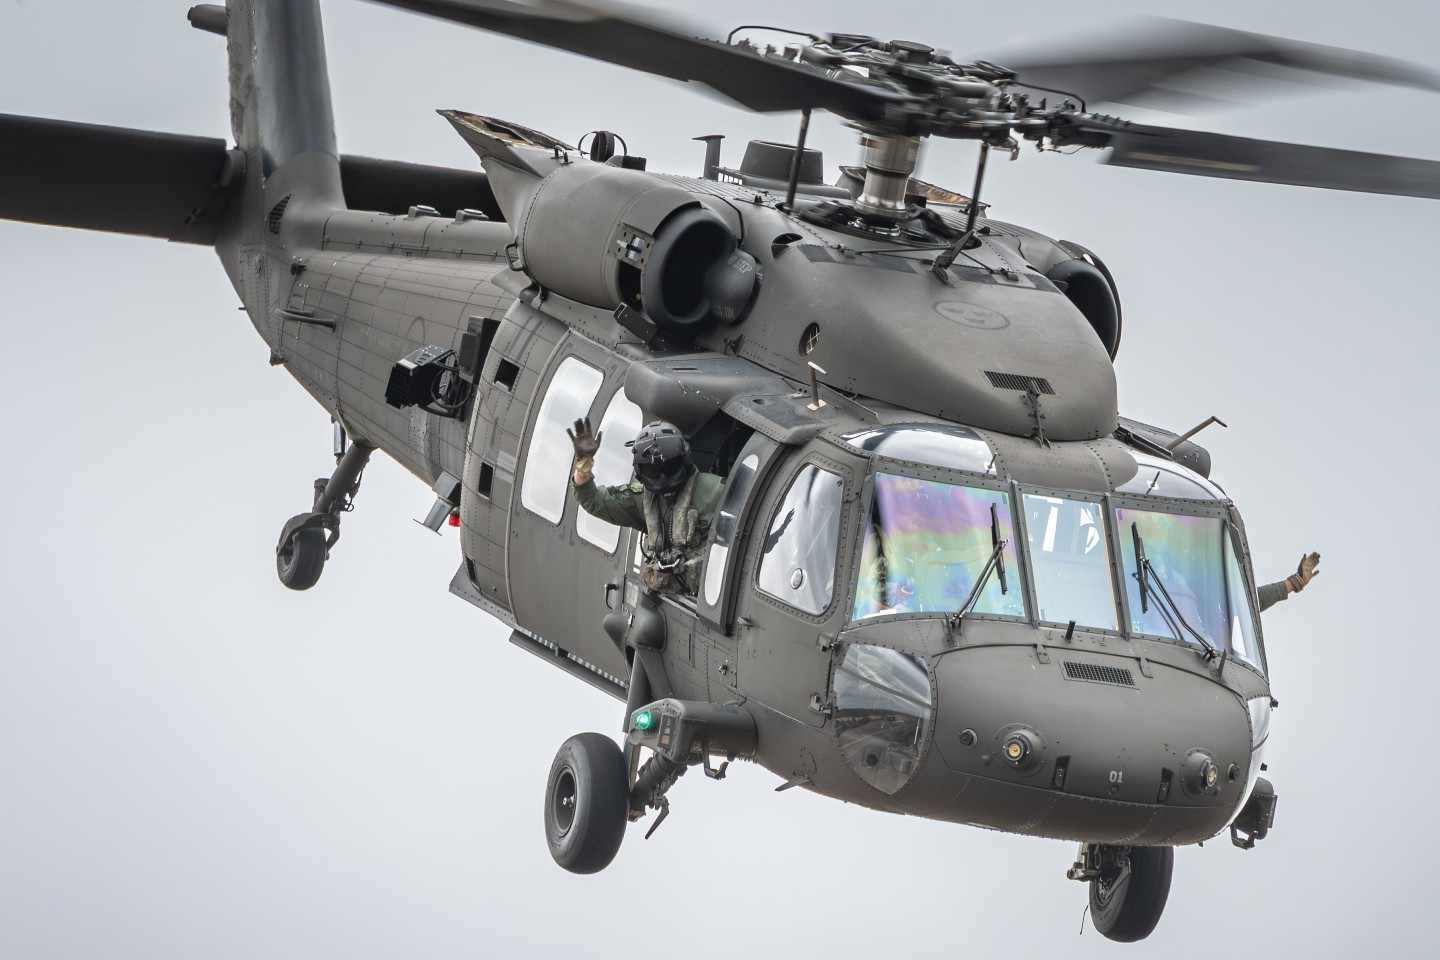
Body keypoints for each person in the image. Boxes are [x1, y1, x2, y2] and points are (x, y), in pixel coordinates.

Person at [568, 417, 723, 597]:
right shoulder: (643, 500)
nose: (663, 477)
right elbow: (593, 500)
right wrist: (584, 464)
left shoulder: (717, 491)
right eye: (654, 471)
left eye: (669, 467)